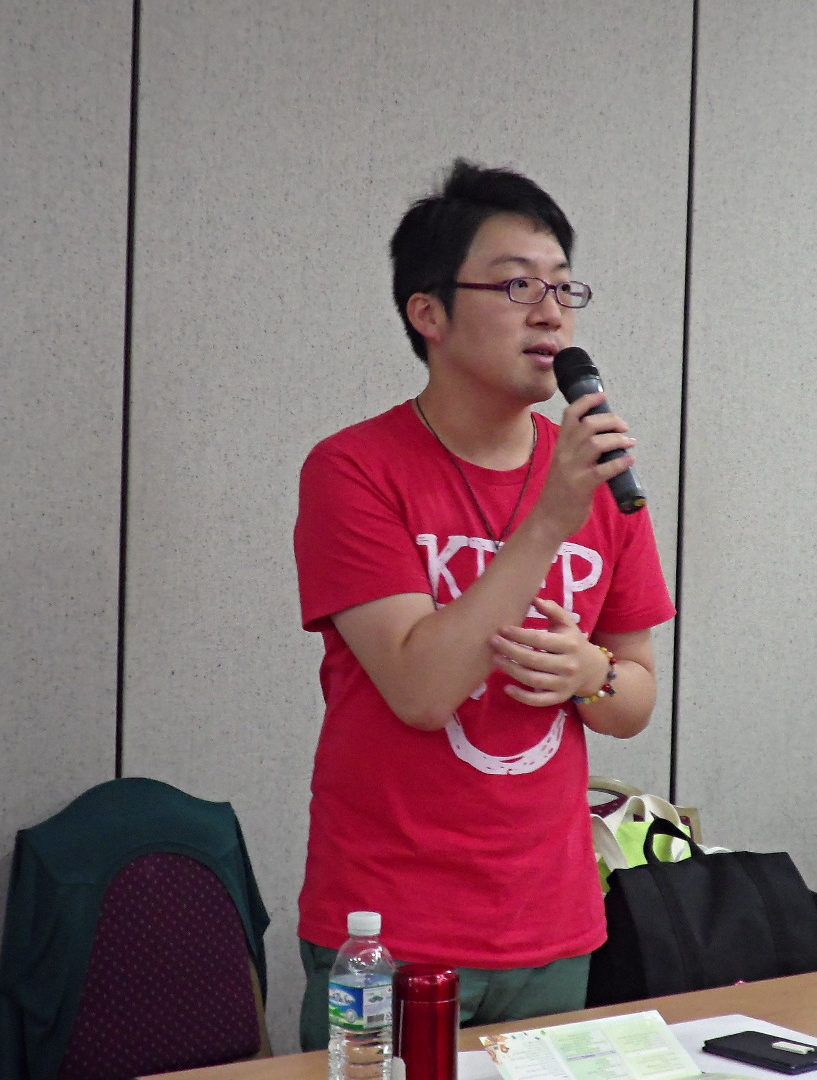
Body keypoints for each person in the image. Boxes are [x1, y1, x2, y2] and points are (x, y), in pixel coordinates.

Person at [290, 160, 676, 1049]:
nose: (550, 313)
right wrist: (550, 520)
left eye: (563, 287)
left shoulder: (593, 477)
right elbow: (421, 691)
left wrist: (592, 672)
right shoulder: (353, 471)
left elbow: (635, 698)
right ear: (428, 313)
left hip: (553, 924)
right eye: (516, 286)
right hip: (388, 933)